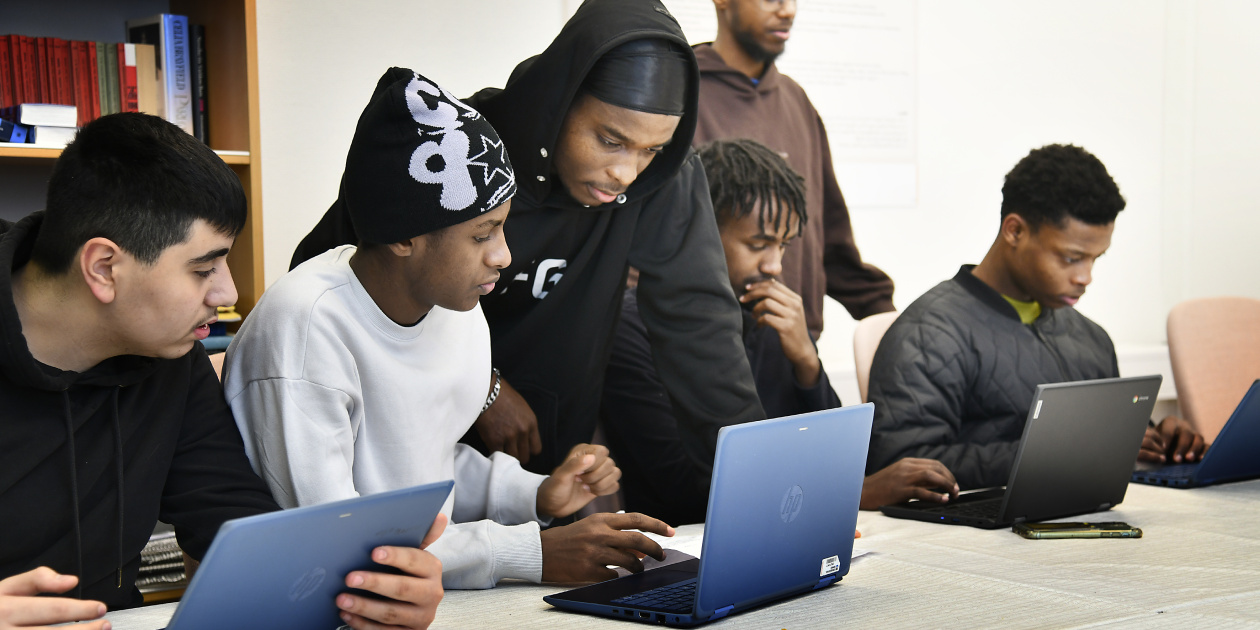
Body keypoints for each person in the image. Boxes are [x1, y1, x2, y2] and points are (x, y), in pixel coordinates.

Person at [225, 68, 674, 591]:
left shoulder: (454, 308)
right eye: (483, 234)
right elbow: (336, 538)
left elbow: (422, 467)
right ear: (402, 237)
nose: (503, 256)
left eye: (504, 227)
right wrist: (529, 551)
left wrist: (535, 495)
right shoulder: (304, 330)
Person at [288, 0, 765, 490]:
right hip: (405, 462)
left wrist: (764, 477)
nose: (626, 173)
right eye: (609, 140)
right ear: (561, 101)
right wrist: (484, 388)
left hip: (546, 473)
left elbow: (701, 329)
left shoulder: (660, 178)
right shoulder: (459, 146)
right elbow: (332, 287)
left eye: (652, 150)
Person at [0, 113, 443, 630]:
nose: (228, 294)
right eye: (203, 268)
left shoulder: (167, 359)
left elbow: (237, 525)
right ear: (103, 268)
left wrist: (367, 589)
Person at [601, 139, 956, 524]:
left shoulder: (766, 316)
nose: (774, 266)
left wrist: (807, 362)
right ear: (700, 233)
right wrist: (854, 492)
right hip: (684, 540)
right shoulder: (632, 327)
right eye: (758, 244)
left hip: (782, 520)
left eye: (783, 246)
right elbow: (680, 485)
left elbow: (839, 458)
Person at [865, 144, 1207, 490]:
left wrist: (1158, 439)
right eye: (1071, 258)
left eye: (1095, 259)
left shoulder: (1091, 338)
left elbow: (1107, 439)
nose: (1085, 277)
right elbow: (901, 465)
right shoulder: (927, 334)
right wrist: (1065, 454)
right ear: (1014, 231)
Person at [691, 0, 896, 336]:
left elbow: (830, 236)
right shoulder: (680, 93)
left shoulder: (795, 100)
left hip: (796, 350)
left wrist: (883, 313)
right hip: (709, 348)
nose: (787, 11)